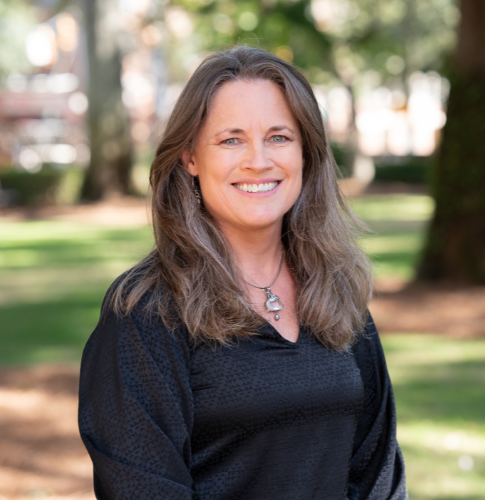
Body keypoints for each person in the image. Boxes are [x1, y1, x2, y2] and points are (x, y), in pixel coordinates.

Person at [78, 46, 408, 500]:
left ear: (306, 153)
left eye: (279, 137)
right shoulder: (146, 312)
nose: (258, 160)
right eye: (231, 139)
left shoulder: (336, 294)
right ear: (190, 158)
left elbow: (379, 477)